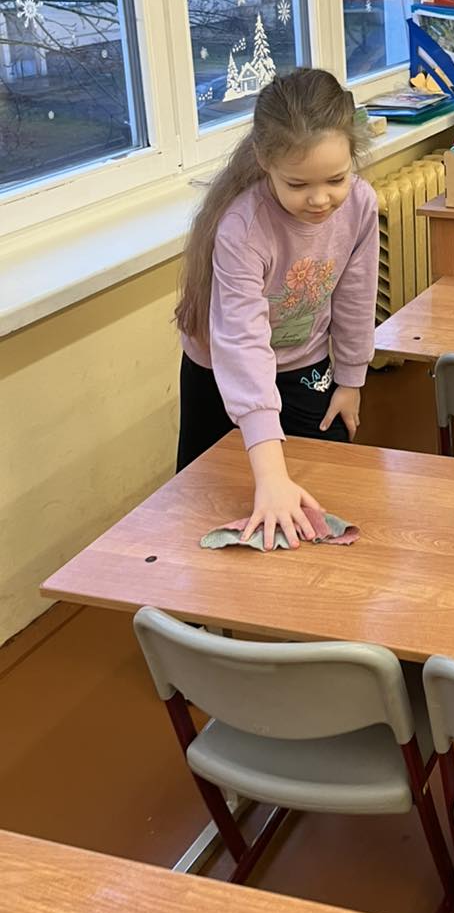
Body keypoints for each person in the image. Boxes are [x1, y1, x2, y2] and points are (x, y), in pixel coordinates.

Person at [174, 67, 379, 551]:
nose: (320, 199)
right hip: (221, 373)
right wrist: (268, 475)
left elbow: (355, 296)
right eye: (298, 184)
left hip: (304, 362)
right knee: (207, 504)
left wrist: (351, 379)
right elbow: (243, 346)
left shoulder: (360, 205)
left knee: (325, 499)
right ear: (266, 161)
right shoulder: (243, 228)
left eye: (336, 179)